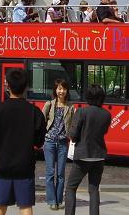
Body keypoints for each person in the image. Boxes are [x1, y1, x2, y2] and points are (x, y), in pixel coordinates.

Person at [0, 68, 46, 215]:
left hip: (2, 165)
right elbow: (39, 141)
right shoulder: (34, 112)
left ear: (8, 86)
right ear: (26, 87)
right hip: (25, 166)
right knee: (25, 206)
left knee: (0, 205)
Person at [64, 85, 111, 215]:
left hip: (83, 155)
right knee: (94, 189)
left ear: (88, 97)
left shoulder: (82, 112)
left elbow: (73, 134)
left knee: (71, 187)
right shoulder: (107, 114)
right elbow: (104, 131)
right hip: (99, 155)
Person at [42, 80, 75, 210]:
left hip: (62, 143)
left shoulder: (70, 107)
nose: (61, 91)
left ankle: (59, 200)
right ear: (55, 90)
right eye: (59, 88)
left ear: (67, 91)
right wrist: (43, 136)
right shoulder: (49, 104)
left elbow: (73, 124)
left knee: (61, 174)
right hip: (49, 141)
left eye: (64, 89)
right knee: (50, 172)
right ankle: (52, 201)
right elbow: (42, 121)